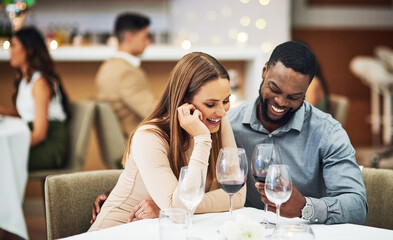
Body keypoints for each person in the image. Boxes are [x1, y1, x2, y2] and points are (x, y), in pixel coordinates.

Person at [88, 52, 246, 231]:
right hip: (118, 230)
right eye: (211, 104)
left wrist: (170, 207)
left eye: (226, 101)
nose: (222, 112)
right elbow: (179, 208)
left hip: (164, 228)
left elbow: (238, 196)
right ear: (185, 101)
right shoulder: (148, 137)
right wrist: (202, 140)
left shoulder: (218, 122)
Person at [227, 41, 367, 224]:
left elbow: (357, 207)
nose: (281, 102)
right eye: (274, 89)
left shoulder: (328, 133)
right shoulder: (229, 124)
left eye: (294, 97)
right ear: (264, 71)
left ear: (307, 90)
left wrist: (305, 207)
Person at [0, 26, 70, 171]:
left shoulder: (40, 83)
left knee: (4, 160)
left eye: (14, 45)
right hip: (35, 139)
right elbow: (28, 113)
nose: (10, 51)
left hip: (49, 145)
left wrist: (12, 146)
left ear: (29, 50)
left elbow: (39, 134)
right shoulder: (26, 80)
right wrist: (4, 111)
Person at [95, 12, 157, 139]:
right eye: (145, 37)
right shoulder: (126, 73)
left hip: (124, 140)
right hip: (135, 143)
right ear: (129, 37)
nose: (148, 42)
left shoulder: (106, 67)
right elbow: (152, 112)